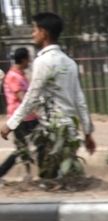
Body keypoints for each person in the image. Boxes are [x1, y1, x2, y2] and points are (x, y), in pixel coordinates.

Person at [0, 12, 96, 162]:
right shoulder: (70, 63)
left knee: (51, 177)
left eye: (34, 30)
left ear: (43, 33)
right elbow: (80, 100)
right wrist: (88, 132)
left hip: (51, 131)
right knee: (66, 174)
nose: (33, 34)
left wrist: (11, 124)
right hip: (70, 131)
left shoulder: (43, 62)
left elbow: (31, 98)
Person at [0, 47, 39, 179]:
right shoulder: (13, 76)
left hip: (29, 117)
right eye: (28, 58)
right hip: (20, 118)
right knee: (22, 149)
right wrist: (35, 110)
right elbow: (22, 97)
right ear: (23, 59)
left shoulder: (21, 74)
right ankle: (2, 172)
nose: (30, 61)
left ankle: (32, 174)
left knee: (38, 144)